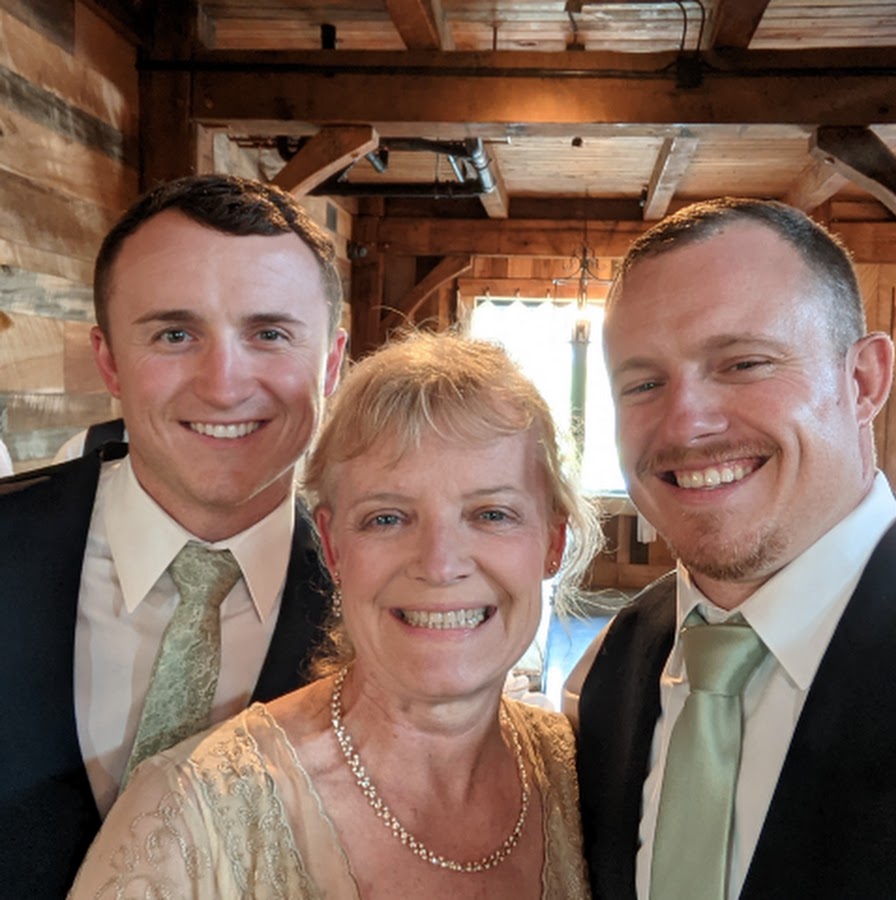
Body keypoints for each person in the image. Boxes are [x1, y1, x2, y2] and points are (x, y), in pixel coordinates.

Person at [69, 330, 599, 900]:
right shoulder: (188, 820)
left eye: (492, 514)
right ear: (333, 546)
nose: (440, 565)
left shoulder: (579, 774)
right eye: (387, 518)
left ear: (553, 541)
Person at [0, 174, 347, 898]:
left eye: (270, 334)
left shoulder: (383, 597)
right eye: (175, 334)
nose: (223, 385)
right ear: (109, 361)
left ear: (331, 363)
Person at [567, 197, 896, 899]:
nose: (685, 424)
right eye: (643, 384)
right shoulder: (618, 661)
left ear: (863, 381)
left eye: (744, 363)